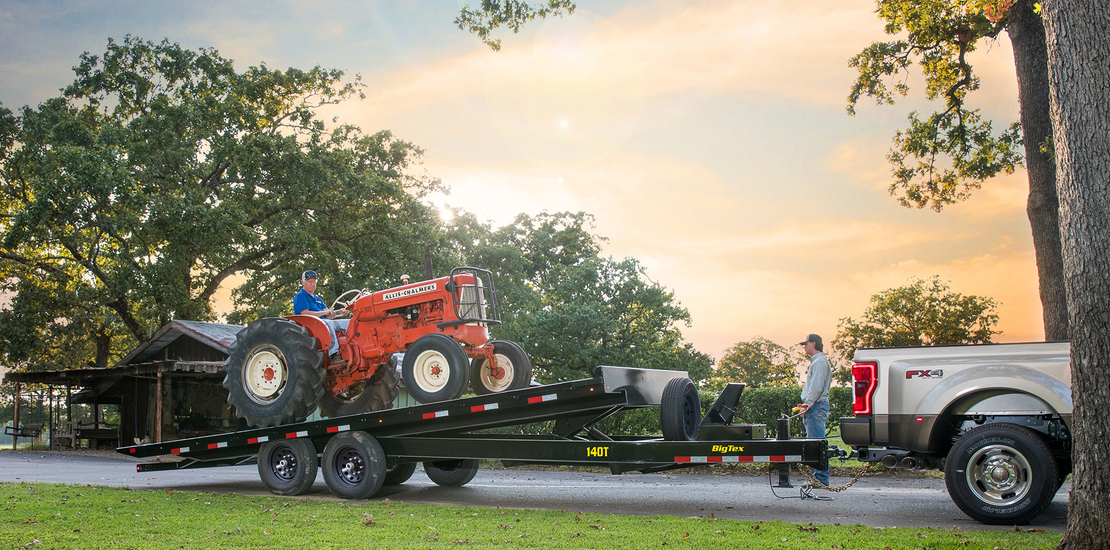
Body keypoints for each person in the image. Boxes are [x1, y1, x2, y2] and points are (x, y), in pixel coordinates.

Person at [797, 333, 831, 487]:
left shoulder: (819, 363)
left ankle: (821, 479)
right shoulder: (817, 362)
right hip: (815, 406)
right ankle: (819, 477)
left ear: (814, 344)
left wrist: (807, 405)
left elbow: (816, 387)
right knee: (816, 443)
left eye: (806, 344)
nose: (804, 347)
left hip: (816, 407)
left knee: (817, 444)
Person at [294, 270, 349, 364]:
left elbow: (328, 314)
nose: (313, 284)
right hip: (311, 325)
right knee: (329, 323)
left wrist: (340, 311)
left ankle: (352, 347)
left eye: (314, 282)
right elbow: (304, 313)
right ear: (302, 282)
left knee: (349, 322)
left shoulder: (318, 299)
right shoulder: (300, 296)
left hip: (324, 322)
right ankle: (333, 354)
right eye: (309, 281)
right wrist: (323, 313)